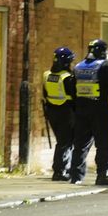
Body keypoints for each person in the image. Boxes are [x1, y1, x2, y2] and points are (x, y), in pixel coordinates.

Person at [70, 39, 108, 185]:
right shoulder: (106, 66)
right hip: (100, 111)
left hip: (81, 111)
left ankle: (76, 176)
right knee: (104, 144)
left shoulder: (78, 67)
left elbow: (71, 89)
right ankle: (103, 175)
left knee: (80, 144)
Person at [42, 46, 77, 181]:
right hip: (66, 111)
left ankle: (60, 169)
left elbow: (45, 93)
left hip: (51, 111)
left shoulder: (47, 75)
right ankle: (60, 171)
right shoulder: (67, 78)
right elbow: (74, 95)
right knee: (66, 142)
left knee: (61, 141)